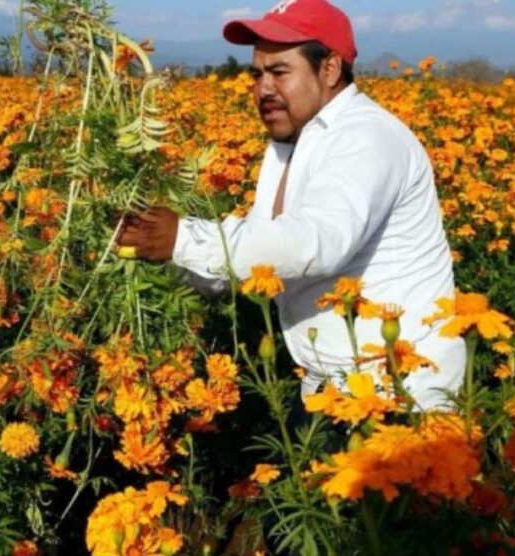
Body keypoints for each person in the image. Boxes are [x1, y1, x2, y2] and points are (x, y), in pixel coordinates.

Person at [115, 0, 464, 409]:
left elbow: (310, 244)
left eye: (280, 72)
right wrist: (161, 255)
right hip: (331, 389)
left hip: (400, 395)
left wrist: (183, 238)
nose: (263, 88)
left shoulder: (366, 137)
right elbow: (263, 262)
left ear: (330, 69)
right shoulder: (292, 142)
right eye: (257, 74)